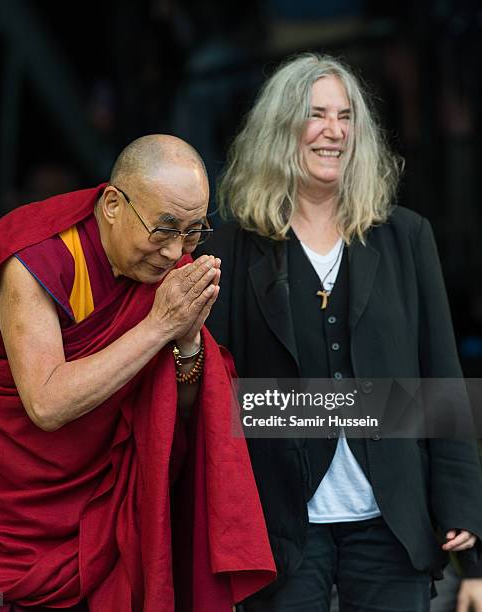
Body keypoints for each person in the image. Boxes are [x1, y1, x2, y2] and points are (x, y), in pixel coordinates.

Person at [0, 135, 276, 610]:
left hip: (91, 527)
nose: (176, 250)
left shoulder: (168, 278)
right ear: (114, 204)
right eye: (164, 229)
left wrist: (188, 341)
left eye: (194, 231)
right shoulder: (34, 258)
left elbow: (184, 413)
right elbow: (46, 403)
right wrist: (160, 327)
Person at [195, 54, 482, 611]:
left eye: (346, 116)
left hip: (391, 525)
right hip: (279, 528)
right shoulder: (231, 249)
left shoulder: (406, 237)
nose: (335, 131)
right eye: (317, 114)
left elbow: (440, 383)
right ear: (282, 128)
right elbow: (215, 397)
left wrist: (468, 536)